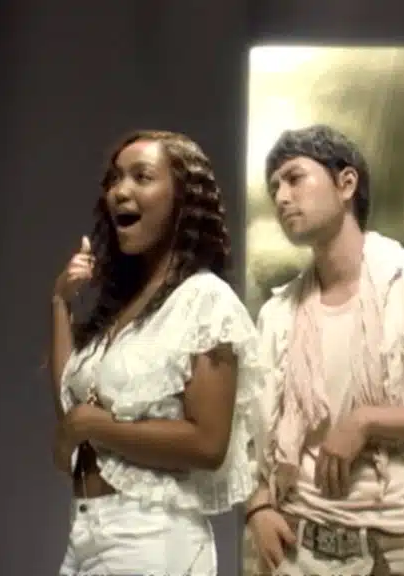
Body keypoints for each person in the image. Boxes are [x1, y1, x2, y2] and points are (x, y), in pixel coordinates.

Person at [243, 124, 404, 576]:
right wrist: (258, 507)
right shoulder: (278, 313)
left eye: (294, 178)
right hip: (295, 547)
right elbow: (252, 434)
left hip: (392, 548)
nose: (281, 197)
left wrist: (367, 420)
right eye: (274, 187)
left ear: (346, 184)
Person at [47, 130, 261, 575]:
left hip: (152, 538)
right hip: (85, 530)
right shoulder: (125, 308)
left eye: (141, 177)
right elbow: (71, 403)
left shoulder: (205, 300)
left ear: (183, 200)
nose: (119, 191)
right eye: (115, 178)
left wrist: (95, 426)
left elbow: (208, 443)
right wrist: (60, 303)